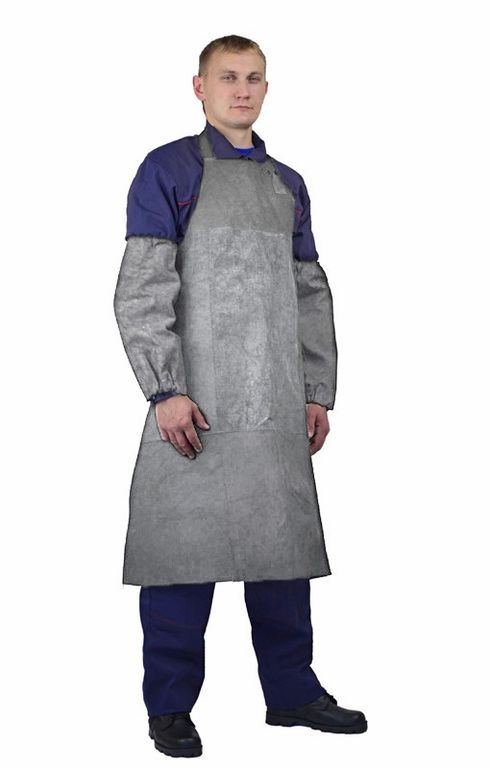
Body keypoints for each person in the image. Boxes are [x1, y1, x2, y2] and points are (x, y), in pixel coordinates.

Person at [113, 34, 367, 759]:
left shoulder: (287, 183)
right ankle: (169, 708)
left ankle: (291, 693)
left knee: (281, 557)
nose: (243, 89)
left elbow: (309, 290)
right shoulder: (168, 170)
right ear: (200, 87)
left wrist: (315, 390)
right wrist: (165, 389)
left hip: (275, 401)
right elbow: (143, 289)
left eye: (254, 77)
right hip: (195, 402)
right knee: (180, 559)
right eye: (228, 77)